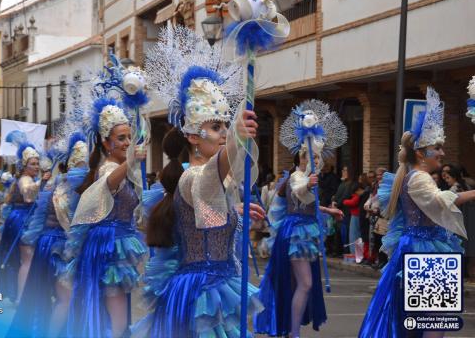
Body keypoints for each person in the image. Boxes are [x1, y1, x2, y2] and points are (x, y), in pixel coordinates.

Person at [131, 25, 265, 337]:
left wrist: (239, 213)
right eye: (215, 126)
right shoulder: (193, 176)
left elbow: (210, 211)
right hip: (199, 293)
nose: (221, 133)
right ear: (193, 135)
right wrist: (235, 138)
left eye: (224, 126)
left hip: (216, 284)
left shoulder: (212, 182)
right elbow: (213, 173)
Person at [359, 87, 475, 338]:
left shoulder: (412, 175)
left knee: (429, 319)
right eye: (438, 148)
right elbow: (439, 203)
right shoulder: (419, 178)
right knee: (434, 319)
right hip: (425, 248)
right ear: (422, 153)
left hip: (420, 245)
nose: (442, 153)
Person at [254, 99, 346, 338]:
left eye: (318, 157)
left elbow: (309, 205)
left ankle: (289, 330)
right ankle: (293, 333)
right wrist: (308, 184)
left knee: (297, 284)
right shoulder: (296, 176)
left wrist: (328, 211)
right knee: (305, 284)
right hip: (295, 233)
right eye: (311, 156)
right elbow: (299, 193)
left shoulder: (308, 176)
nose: (316, 161)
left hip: (305, 228)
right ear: (303, 157)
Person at [64, 97, 147, 338]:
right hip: (110, 245)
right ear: (106, 142)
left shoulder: (119, 168)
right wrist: (131, 160)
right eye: (121, 138)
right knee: (118, 315)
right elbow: (109, 182)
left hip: (115, 241)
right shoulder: (109, 168)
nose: (128, 143)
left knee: (116, 311)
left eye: (129, 137)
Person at [9, 132, 90, 338]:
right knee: (66, 298)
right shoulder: (65, 188)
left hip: (49, 243)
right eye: (82, 163)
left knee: (50, 298)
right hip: (57, 247)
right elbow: (69, 222)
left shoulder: (61, 184)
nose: (85, 168)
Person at [0, 138, 49, 303]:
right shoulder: (25, 179)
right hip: (22, 220)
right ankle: (21, 298)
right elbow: (28, 195)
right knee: (26, 259)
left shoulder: (27, 178)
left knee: (22, 258)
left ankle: (20, 294)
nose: (36, 166)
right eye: (33, 164)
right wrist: (43, 181)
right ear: (25, 166)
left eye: (37, 163)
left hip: (20, 218)